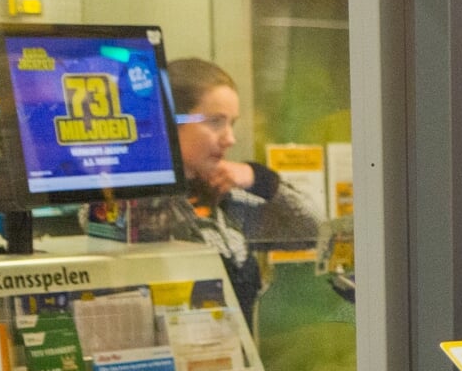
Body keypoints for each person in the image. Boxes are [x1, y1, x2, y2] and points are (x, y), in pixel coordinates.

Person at [132, 58, 321, 324]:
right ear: (169, 122)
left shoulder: (226, 197)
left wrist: (260, 179)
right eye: (215, 122)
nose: (229, 138)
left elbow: (314, 230)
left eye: (232, 123)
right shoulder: (129, 204)